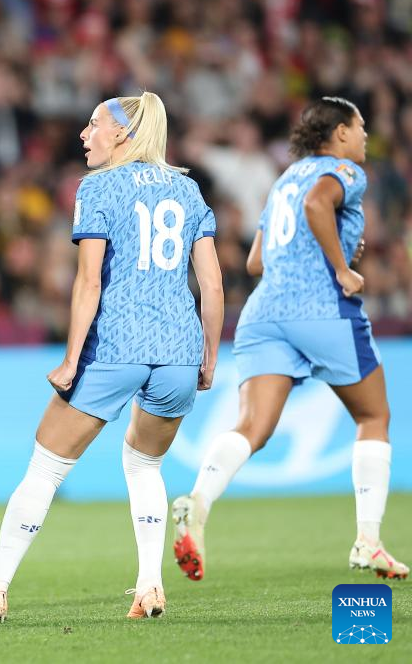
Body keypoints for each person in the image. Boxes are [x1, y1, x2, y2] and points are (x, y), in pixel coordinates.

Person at [0, 92, 224, 624]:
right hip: (178, 352)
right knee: (145, 463)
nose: (83, 133)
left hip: (116, 347)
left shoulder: (98, 187)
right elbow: (212, 284)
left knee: (45, 470)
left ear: (122, 134)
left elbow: (89, 281)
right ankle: (149, 586)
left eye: (94, 124)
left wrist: (73, 358)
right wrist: (209, 357)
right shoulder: (188, 190)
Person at [171, 97, 408, 582]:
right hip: (320, 309)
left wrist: (333, 243)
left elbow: (257, 260)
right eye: (360, 127)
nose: (366, 136)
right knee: (373, 415)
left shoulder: (284, 179)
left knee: (252, 426)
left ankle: (198, 502)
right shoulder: (344, 171)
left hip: (264, 313)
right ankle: (368, 540)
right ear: (339, 133)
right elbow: (319, 203)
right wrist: (341, 266)